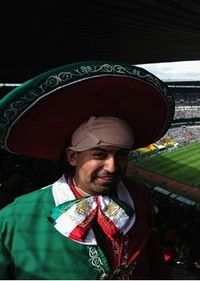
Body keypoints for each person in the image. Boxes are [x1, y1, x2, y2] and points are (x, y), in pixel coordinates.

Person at [0, 61, 175, 279]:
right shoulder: (14, 219)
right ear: (73, 157)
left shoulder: (139, 199)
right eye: (99, 154)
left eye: (121, 155)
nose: (112, 167)